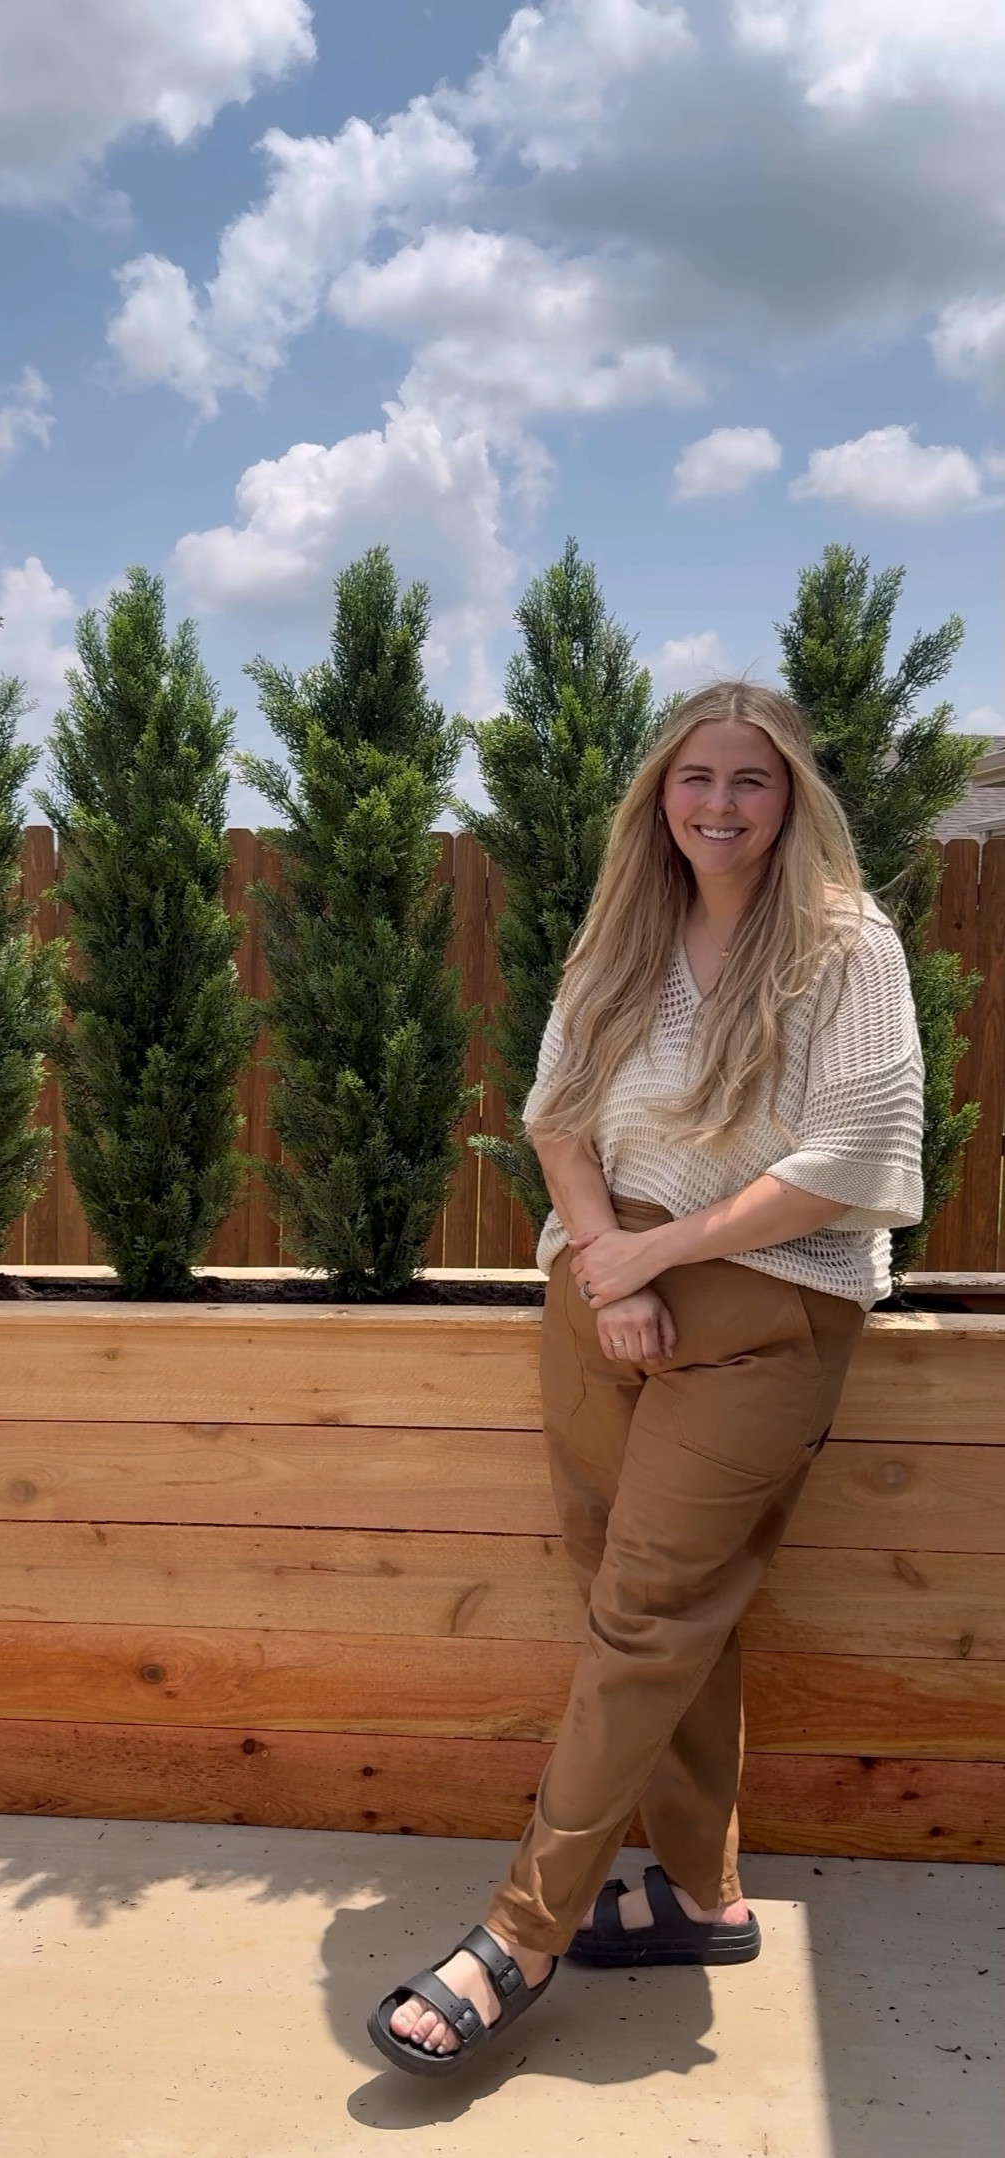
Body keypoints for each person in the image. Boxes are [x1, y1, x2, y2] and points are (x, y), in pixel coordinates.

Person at [367, 681, 925, 2078]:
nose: (720, 804)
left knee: (646, 1612)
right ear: (657, 796)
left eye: (750, 779)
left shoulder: (846, 945)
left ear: (792, 795)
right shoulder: (621, 931)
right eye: (695, 778)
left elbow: (857, 1151)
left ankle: (524, 1927)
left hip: (765, 1304)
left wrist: (658, 1251)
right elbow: (555, 1110)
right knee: (663, 1609)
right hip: (600, 1294)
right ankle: (692, 1890)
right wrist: (610, 1262)